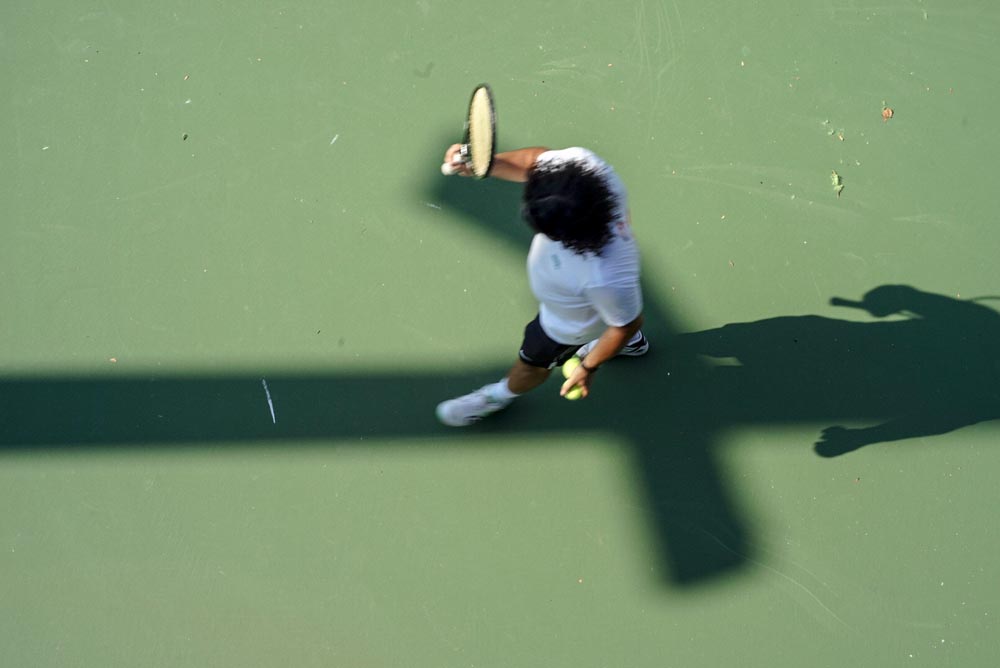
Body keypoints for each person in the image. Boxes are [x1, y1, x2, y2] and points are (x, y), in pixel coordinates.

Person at [435, 144, 648, 426]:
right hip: (596, 297)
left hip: (567, 323)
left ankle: (498, 395)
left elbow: (626, 324)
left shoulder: (604, 278)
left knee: (532, 363)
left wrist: (588, 366)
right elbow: (535, 160)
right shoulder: (588, 168)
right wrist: (485, 164)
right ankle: (630, 346)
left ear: (567, 234)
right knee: (616, 315)